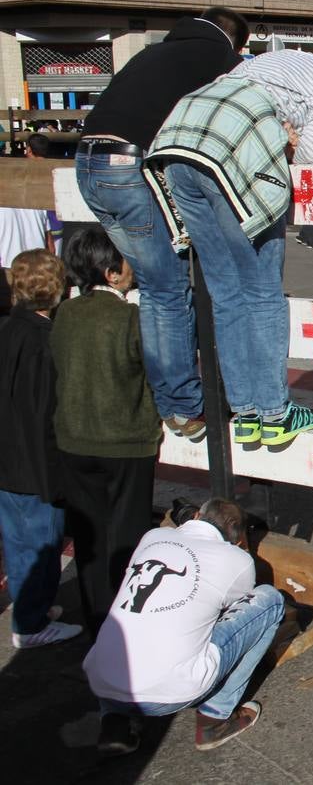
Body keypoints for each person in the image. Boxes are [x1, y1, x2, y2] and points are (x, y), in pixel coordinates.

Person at [144, 29, 313, 447]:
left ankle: (245, 411)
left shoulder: (267, 61)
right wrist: (291, 144)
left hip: (177, 141)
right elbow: (312, 152)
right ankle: (274, 411)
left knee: (225, 292)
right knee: (262, 290)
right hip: (232, 147)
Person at [73, 6, 249, 441]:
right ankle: (182, 407)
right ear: (235, 42)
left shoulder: (152, 53)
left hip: (89, 162)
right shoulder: (220, 61)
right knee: (166, 289)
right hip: (129, 167)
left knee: (154, 284)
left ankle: (174, 399)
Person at [84, 497, 285, 757]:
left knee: (138, 614)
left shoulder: (153, 537)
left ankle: (115, 720)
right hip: (171, 692)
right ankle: (216, 717)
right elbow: (236, 606)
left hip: (101, 681)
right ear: (237, 538)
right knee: (270, 600)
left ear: (198, 517)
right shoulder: (236, 558)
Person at [51, 228, 162, 638]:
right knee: (127, 535)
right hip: (125, 440)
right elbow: (153, 371)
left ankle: (97, 621)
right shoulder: (131, 317)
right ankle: (126, 624)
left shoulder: (64, 314)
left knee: (89, 537)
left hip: (73, 439)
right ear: (112, 273)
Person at [0, 249, 83, 648]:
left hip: (6, 460)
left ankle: (28, 608)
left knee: (17, 541)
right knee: (42, 544)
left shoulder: (8, 330)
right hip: (35, 464)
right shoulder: (45, 343)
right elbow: (44, 415)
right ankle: (31, 623)